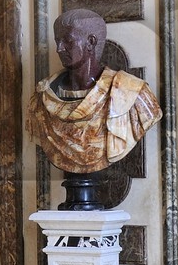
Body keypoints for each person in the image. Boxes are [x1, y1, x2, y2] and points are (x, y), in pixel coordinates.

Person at [24, 9, 163, 176]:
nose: (59, 49)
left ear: (90, 42)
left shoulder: (132, 94)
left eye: (68, 41)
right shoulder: (41, 98)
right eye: (57, 41)